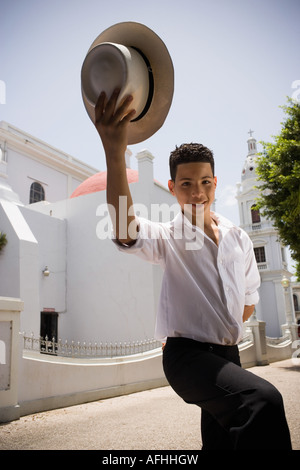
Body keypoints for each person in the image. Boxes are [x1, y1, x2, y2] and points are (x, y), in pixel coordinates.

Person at [94, 88, 292, 450]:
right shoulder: (169, 236)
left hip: (228, 355)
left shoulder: (238, 238)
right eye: (186, 184)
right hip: (187, 357)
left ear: (215, 184)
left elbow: (249, 300)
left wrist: (221, 325)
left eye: (204, 183)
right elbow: (124, 226)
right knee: (262, 401)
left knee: (222, 441)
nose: (197, 192)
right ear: (173, 188)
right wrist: (114, 152)